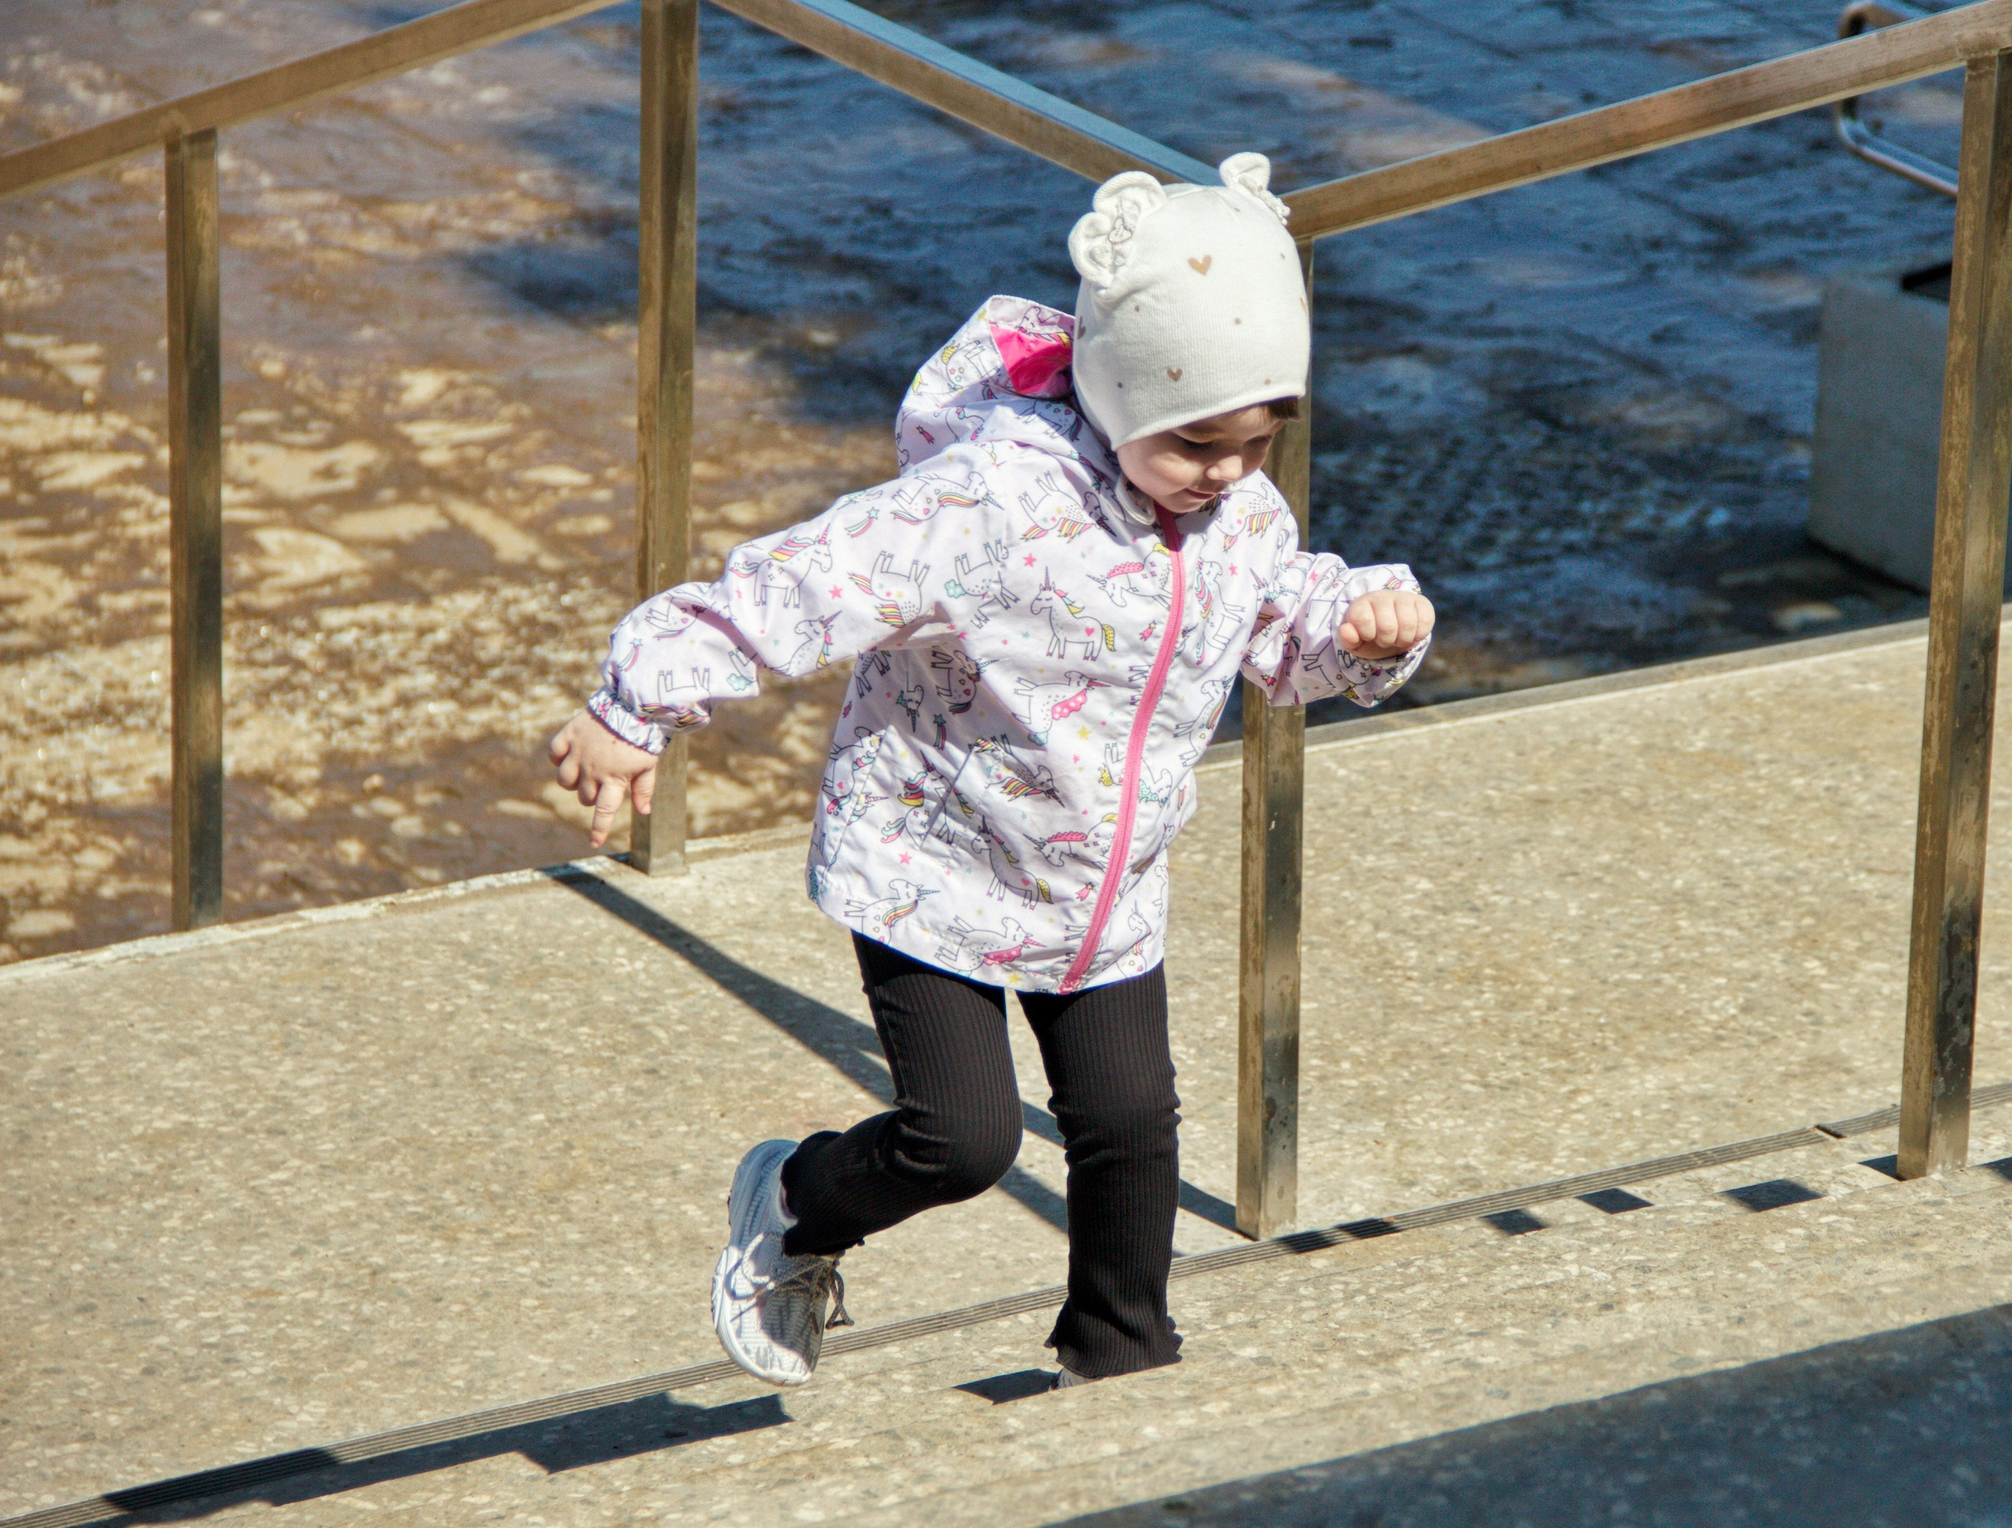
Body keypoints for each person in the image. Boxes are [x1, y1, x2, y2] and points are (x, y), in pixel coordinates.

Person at [546, 154, 1434, 1391]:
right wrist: (635, 703)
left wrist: (1363, 628)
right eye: (1196, 442)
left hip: (1099, 885)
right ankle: (797, 1202)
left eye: (1256, 437)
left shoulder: (1239, 518)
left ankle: (1117, 1362)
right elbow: (799, 585)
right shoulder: (988, 502)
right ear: (1121, 393)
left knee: (1128, 1126)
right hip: (933, 861)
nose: (1227, 471)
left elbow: (1286, 634)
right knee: (961, 1139)